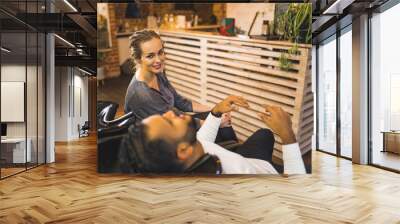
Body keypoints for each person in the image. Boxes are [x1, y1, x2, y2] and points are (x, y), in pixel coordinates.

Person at [119, 95, 306, 175]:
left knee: (265, 134)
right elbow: (296, 195)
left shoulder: (188, 153)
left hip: (246, 159)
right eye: (169, 121)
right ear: (183, 151)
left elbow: (202, 140)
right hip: (268, 174)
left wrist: (216, 112)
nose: (170, 113)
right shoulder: (236, 178)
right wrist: (288, 135)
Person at [124, 29, 235, 142]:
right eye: (150, 56)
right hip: (160, 141)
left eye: (160, 52)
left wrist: (216, 109)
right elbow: (171, 123)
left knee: (220, 116)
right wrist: (214, 123)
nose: (158, 60)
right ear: (138, 59)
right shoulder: (142, 94)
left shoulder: (157, 74)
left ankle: (232, 154)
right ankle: (229, 154)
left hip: (174, 126)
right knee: (218, 123)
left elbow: (179, 102)